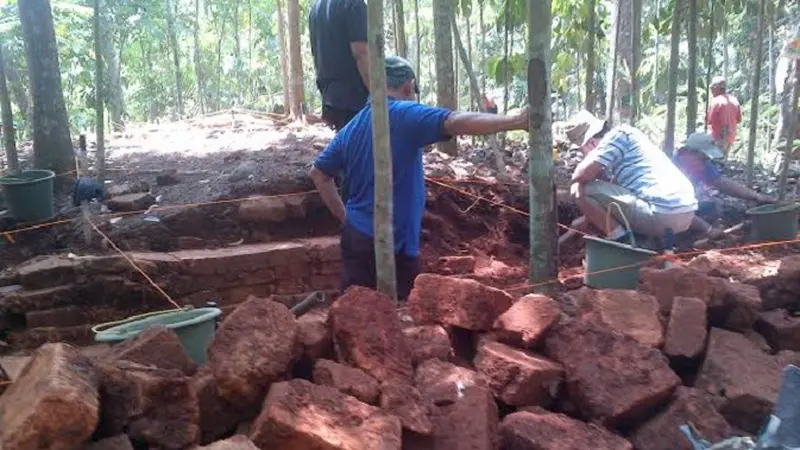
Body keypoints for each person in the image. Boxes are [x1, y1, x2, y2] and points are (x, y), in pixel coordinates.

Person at [309, 56, 529, 300]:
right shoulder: (403, 113)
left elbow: (319, 174)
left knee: (357, 318)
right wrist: (515, 121)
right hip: (391, 246)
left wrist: (346, 218)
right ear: (407, 86)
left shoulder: (353, 126)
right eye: (413, 91)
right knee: (397, 318)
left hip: (357, 239)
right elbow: (453, 121)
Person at [562, 110, 698, 246]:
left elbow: (580, 175)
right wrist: (588, 216)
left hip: (662, 212)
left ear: (590, 143)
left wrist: (578, 192)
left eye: (582, 150)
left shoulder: (617, 136)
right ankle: (649, 243)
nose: (583, 154)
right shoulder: (630, 138)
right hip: (684, 214)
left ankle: (624, 243)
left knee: (582, 188)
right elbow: (615, 200)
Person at [672, 132, 776, 239]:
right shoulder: (669, 172)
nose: (705, 164)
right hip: (666, 214)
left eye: (707, 159)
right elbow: (675, 208)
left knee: (715, 208)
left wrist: (756, 196)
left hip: (684, 209)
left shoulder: (701, 164)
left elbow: (721, 183)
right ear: (689, 153)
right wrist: (708, 229)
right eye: (703, 159)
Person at [309, 0, 370, 132]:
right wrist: (376, 91)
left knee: (346, 146)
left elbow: (315, 53)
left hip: (331, 96)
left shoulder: (316, 8)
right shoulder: (354, 4)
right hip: (355, 97)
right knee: (361, 146)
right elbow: (361, 52)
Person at [707, 76, 742, 155]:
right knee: (723, 161)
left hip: (718, 138)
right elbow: (739, 119)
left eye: (712, 87)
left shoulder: (716, 101)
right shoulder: (734, 100)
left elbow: (709, 121)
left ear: (717, 88)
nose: (711, 90)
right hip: (730, 138)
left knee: (715, 161)